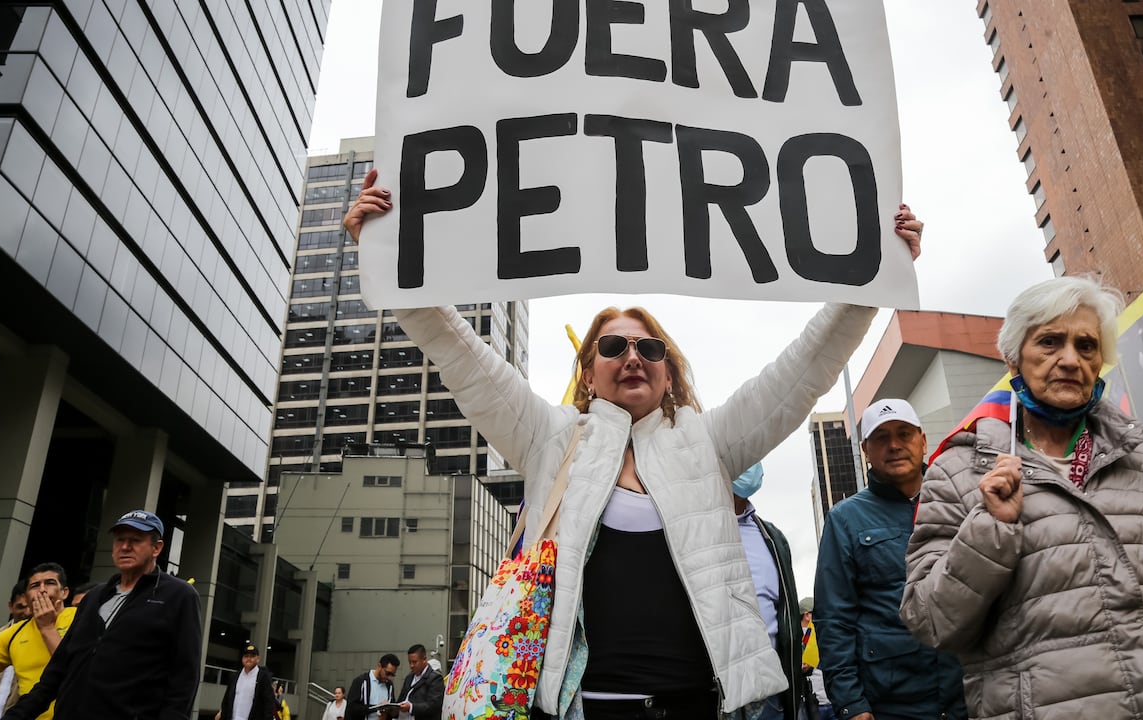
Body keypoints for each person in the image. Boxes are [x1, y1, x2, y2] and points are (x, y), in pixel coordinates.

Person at [344, 170, 923, 719]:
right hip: (580, 707)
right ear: (588, 372)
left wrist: (872, 279)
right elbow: (461, 356)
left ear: (668, 374)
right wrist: (386, 256)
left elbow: (805, 370)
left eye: (649, 350)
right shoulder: (550, 437)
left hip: (699, 704)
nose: (631, 357)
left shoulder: (709, 441)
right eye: (613, 347)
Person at [901, 276, 1143, 719]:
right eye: (1050, 342)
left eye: (1086, 346)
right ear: (1014, 359)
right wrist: (989, 530)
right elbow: (929, 621)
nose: (1070, 360)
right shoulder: (958, 471)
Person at [813, 399, 964, 720]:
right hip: (892, 703)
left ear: (923, 441)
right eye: (881, 437)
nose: (894, 445)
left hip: (970, 692)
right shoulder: (845, 519)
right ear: (866, 449)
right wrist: (851, 703)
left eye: (904, 434)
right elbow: (833, 619)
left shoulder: (958, 501)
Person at [3, 510, 203, 720]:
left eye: (135, 540)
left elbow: (184, 679)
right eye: (119, 540)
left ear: (157, 547)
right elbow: (57, 671)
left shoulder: (179, 595)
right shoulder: (94, 597)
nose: (125, 547)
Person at [733, 464, 804, 720]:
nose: (748, 464)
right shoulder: (686, 529)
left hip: (771, 696)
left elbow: (787, 621)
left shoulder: (772, 538)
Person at [0, 563, 77, 720]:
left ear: (64, 593)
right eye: (35, 585)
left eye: (50, 583)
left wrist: (47, 628)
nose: (42, 589)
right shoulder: (14, 632)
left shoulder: (81, 617)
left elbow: (77, 670)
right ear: (26, 596)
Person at [0, 584, 30, 720]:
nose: (27, 612)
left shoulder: (41, 643)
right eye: (21, 607)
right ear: (11, 606)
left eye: (31, 607)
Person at [216, 643, 276, 720]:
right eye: (246, 656)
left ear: (258, 659)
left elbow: (268, 703)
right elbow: (226, 700)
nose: (249, 659)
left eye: (252, 656)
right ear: (242, 658)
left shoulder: (263, 677)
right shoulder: (235, 676)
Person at [797, 598, 833, 720]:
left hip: (832, 702)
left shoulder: (825, 635)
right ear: (807, 615)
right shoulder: (795, 639)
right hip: (812, 704)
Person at [394, 644, 444, 719]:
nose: (411, 665)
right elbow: (401, 700)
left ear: (424, 659)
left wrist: (411, 707)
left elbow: (434, 705)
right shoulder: (409, 678)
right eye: (409, 662)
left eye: (414, 662)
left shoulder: (435, 678)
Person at [344, 653, 399, 720]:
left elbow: (392, 708)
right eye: (388, 673)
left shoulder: (389, 685)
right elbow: (351, 708)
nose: (389, 677)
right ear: (379, 666)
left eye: (392, 675)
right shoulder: (360, 681)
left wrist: (392, 711)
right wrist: (378, 707)